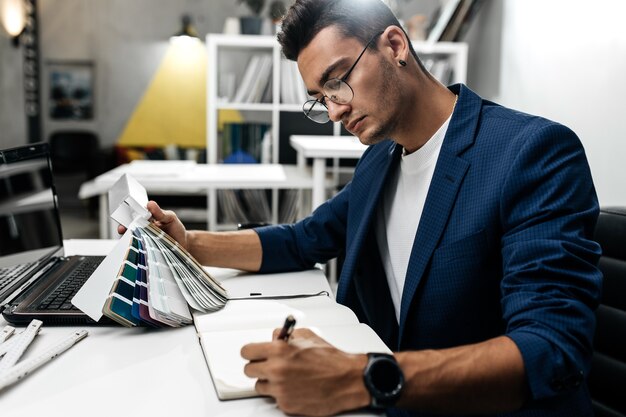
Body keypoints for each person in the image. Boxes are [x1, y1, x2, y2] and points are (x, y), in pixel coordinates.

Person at [127, 0, 602, 415]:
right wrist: (190, 244)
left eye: (337, 82)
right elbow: (306, 239)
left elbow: (553, 349)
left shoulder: (532, 152)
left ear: (394, 45)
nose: (333, 111)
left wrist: (358, 376)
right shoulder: (381, 156)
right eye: (320, 98)